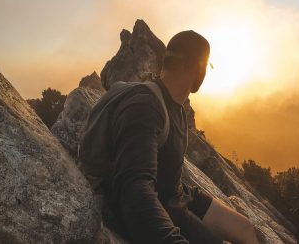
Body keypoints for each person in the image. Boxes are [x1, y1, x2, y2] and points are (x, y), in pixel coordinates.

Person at [105, 30, 260, 243]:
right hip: (150, 207)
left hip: (173, 194)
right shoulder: (145, 107)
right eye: (206, 67)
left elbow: (166, 172)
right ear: (197, 69)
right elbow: (134, 190)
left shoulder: (174, 106)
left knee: (245, 230)